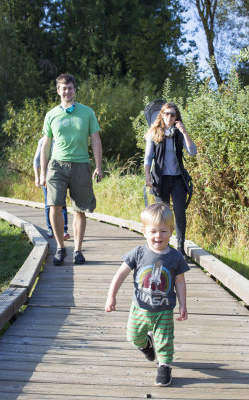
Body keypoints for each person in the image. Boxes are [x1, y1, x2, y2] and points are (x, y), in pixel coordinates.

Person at [105, 202, 189, 387]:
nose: (158, 236)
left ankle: (165, 366)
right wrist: (112, 296)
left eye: (163, 231)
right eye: (153, 231)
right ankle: (146, 345)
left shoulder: (175, 257)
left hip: (164, 309)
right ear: (144, 231)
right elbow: (121, 274)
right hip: (139, 307)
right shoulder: (139, 253)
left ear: (171, 231)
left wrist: (183, 304)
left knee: (165, 341)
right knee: (133, 336)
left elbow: (180, 281)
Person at [40, 73, 102, 266]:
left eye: (70, 88)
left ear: (75, 90)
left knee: (80, 209)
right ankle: (60, 248)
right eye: (63, 88)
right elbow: (46, 145)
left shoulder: (87, 113)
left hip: (81, 164)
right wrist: (43, 172)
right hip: (57, 165)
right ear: (58, 91)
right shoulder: (51, 115)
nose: (67, 91)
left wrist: (99, 166)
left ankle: (77, 250)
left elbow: (95, 139)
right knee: (54, 205)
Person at [144, 102, 197, 258]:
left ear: (177, 117)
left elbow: (192, 152)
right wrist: (148, 176)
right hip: (160, 180)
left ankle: (180, 246)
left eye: (173, 114)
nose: (169, 117)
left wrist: (185, 132)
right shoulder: (154, 133)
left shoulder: (179, 133)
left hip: (177, 179)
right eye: (166, 113)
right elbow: (148, 159)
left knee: (180, 212)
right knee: (161, 214)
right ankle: (162, 246)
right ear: (162, 114)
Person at [33, 137, 70, 240]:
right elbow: (36, 161)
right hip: (46, 177)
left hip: (60, 177)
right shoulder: (43, 141)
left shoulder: (62, 140)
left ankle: (64, 230)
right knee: (49, 204)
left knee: (62, 203)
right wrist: (37, 177)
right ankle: (50, 228)